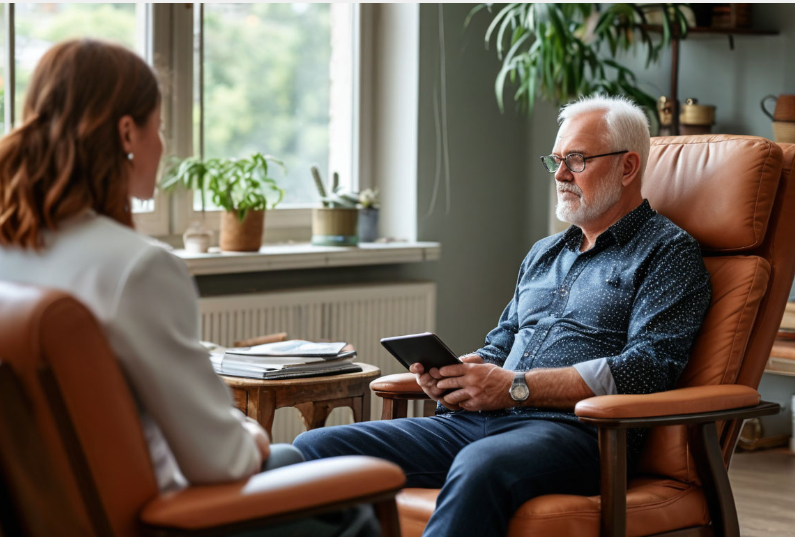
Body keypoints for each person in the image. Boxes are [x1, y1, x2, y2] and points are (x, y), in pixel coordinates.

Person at [0, 39, 377, 537]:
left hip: (36, 513)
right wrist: (248, 433)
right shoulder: (138, 268)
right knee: (354, 506)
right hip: (153, 518)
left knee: (292, 456)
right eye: (157, 127)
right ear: (126, 133)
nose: (161, 145)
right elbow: (220, 461)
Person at [294, 94, 712, 537]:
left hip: (575, 435)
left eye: (576, 159)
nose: (561, 175)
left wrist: (514, 387)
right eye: (555, 161)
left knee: (481, 464)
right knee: (316, 448)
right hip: (476, 421)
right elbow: (501, 343)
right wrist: (458, 374)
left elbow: (647, 369)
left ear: (628, 167)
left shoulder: (668, 252)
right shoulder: (544, 253)